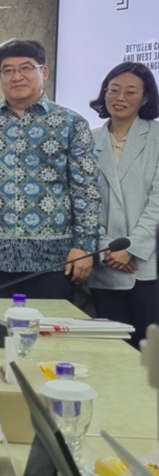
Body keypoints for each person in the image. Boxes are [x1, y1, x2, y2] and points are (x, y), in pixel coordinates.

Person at [0, 39, 101, 299]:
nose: (17, 76)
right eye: (8, 70)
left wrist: (84, 246)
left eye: (26, 68)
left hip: (54, 260)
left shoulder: (71, 123)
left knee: (51, 325)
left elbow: (86, 190)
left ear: (44, 72)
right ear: (0, 76)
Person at [87, 61, 159, 348]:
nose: (120, 98)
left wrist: (132, 248)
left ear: (145, 98)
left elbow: (157, 202)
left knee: (147, 352)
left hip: (147, 262)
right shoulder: (88, 139)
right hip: (105, 261)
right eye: (113, 90)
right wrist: (107, 247)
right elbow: (83, 200)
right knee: (111, 349)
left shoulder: (156, 138)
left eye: (130, 92)